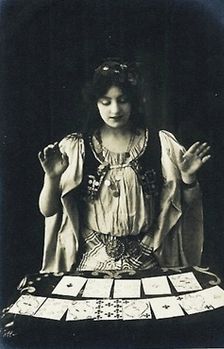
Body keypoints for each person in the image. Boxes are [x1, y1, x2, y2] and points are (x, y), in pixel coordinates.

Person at [38, 60, 211, 273]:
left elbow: (187, 206)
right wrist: (52, 177)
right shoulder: (76, 148)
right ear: (95, 103)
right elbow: (48, 210)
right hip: (91, 262)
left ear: (134, 101)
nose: (115, 109)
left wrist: (188, 179)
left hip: (147, 259)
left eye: (123, 100)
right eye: (106, 101)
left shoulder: (161, 145)